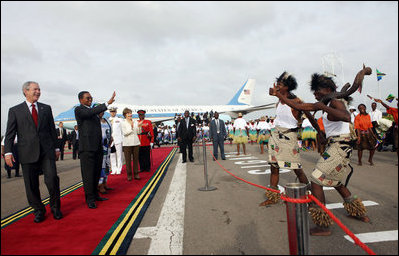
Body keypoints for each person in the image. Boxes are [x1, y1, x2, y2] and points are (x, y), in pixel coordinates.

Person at [270, 65, 372, 235]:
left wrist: (323, 107)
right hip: (335, 146)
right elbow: (303, 108)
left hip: (340, 147)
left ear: (328, 89)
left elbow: (346, 117)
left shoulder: (335, 102)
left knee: (317, 179)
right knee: (336, 182)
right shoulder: (327, 102)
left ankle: (323, 225)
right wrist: (279, 95)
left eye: (317, 90)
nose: (315, 94)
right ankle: (358, 212)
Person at [4, 81, 62, 222]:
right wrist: (7, 152)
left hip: (46, 152)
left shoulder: (46, 108)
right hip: (27, 152)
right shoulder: (15, 110)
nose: (38, 92)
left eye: (39, 89)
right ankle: (38, 210)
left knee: (52, 179)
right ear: (26, 91)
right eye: (35, 89)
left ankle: (55, 208)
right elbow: (10, 133)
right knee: (31, 184)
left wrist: (56, 147)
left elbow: (51, 130)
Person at [259, 72, 310, 207]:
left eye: (280, 85)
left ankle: (311, 196)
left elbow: (309, 114)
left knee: (296, 168)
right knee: (274, 167)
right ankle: (273, 196)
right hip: (276, 137)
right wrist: (277, 96)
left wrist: (321, 133)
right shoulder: (278, 103)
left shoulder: (296, 102)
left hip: (289, 137)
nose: (277, 87)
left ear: (286, 88)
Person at [74, 90, 115, 209]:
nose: (90, 100)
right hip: (87, 149)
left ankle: (96, 195)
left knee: (96, 173)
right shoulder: (79, 110)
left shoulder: (94, 114)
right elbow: (90, 112)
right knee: (88, 175)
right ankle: (90, 199)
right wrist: (107, 103)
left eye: (91, 98)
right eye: (87, 98)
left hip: (97, 148)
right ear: (81, 100)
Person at [121, 108, 141, 181]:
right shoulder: (123, 122)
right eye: (128, 113)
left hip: (136, 142)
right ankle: (129, 174)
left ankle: (136, 173)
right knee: (128, 160)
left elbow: (138, 132)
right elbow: (125, 133)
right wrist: (131, 127)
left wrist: (139, 127)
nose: (130, 114)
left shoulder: (135, 122)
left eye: (130, 113)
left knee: (136, 159)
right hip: (127, 144)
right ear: (125, 115)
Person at [98, 108, 113, 193]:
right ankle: (100, 185)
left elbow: (111, 132)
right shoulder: (95, 121)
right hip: (100, 148)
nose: (101, 112)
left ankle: (105, 182)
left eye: (102, 111)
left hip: (107, 147)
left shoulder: (107, 121)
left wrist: (111, 138)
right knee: (101, 167)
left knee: (107, 165)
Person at [108, 106, 124, 175]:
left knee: (119, 155)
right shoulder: (107, 120)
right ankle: (114, 169)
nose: (113, 113)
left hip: (118, 139)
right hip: (111, 141)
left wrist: (123, 140)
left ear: (116, 112)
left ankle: (119, 169)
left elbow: (122, 131)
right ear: (110, 112)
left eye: (114, 111)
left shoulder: (119, 120)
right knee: (112, 155)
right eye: (111, 112)